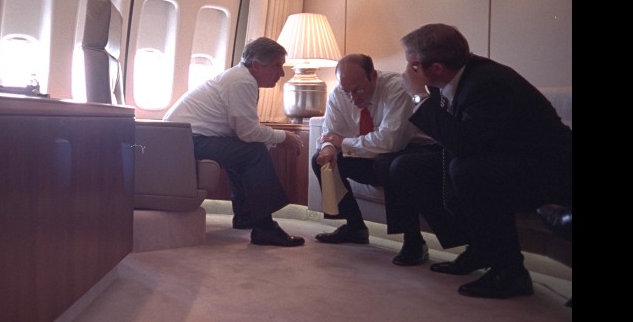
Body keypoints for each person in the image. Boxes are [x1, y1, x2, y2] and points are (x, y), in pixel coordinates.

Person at [388, 24, 572, 299]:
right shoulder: (447, 81)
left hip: (550, 171)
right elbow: (460, 140)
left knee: (467, 170)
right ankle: (478, 248)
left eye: (412, 65)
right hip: (502, 160)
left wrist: (419, 96)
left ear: (436, 67)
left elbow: (465, 144)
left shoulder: (488, 82)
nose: (407, 72)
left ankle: (510, 273)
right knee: (406, 167)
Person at [163, 37, 306, 247]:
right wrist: (285, 136)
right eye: (277, 66)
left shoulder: (241, 78)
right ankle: (264, 228)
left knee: (244, 151)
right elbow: (248, 133)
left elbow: (242, 133)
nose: (282, 74)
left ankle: (245, 216)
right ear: (256, 65)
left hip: (181, 140)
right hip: (184, 142)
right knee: (253, 152)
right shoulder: (242, 81)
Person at [311, 53, 437, 265]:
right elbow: (329, 133)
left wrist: (342, 142)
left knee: (389, 162)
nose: (354, 98)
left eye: (359, 89)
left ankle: (414, 241)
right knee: (321, 160)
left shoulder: (397, 88)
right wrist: (328, 149)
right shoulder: (339, 93)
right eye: (347, 91)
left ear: (373, 76)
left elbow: (390, 142)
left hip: (414, 150)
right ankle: (355, 227)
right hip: (369, 152)